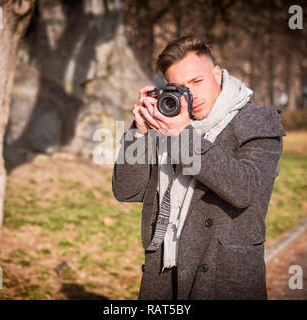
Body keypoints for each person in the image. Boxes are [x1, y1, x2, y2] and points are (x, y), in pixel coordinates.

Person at [112, 36, 286, 300]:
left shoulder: (258, 121)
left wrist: (183, 135)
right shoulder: (167, 123)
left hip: (222, 277)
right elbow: (126, 191)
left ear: (216, 74)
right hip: (164, 275)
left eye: (196, 81)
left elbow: (243, 189)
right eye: (179, 87)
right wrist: (140, 131)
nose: (190, 95)